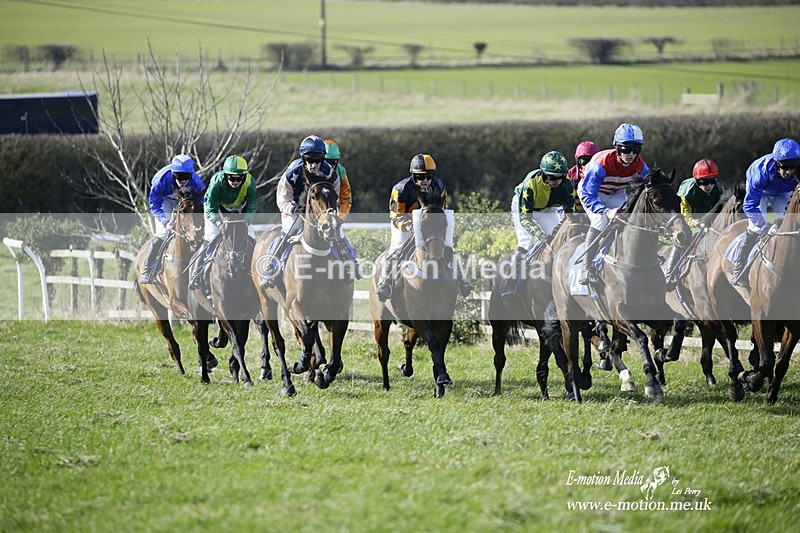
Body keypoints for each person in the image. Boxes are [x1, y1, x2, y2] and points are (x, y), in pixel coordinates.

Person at [259, 135, 356, 288]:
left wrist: (330, 213)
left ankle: (351, 263)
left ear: (323, 158)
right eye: (309, 160)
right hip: (295, 210)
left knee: (338, 233)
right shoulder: (293, 172)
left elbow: (334, 196)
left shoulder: (331, 173)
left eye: (317, 160)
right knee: (288, 231)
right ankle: (269, 266)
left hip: (320, 211)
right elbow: (282, 198)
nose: (313, 164)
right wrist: (292, 208)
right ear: (303, 158)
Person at [376, 153, 473, 302]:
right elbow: (396, 217)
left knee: (448, 248)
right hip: (405, 224)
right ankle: (385, 282)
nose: (425, 180)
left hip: (429, 225)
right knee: (396, 249)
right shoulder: (400, 190)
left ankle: (461, 280)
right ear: (414, 176)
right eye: (421, 177)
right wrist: (412, 228)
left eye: (429, 176)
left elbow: (440, 213)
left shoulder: (440, 187)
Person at [577, 123, 651, 285]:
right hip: (592, 193)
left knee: (629, 218)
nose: (631, 154)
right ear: (617, 147)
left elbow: (649, 185)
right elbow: (589, 196)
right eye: (626, 149)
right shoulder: (600, 164)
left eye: (635, 150)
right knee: (600, 220)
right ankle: (586, 268)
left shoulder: (640, 164)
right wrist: (605, 211)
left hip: (615, 193)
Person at [502, 151, 574, 301]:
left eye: (560, 176)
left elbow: (571, 214)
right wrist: (540, 235)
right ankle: (511, 283)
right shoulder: (530, 185)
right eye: (552, 177)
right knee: (526, 243)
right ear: (544, 174)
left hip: (547, 208)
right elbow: (525, 219)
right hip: (524, 208)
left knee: (563, 241)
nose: (557, 181)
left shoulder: (567, 184)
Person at [731, 137, 800, 287]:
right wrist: (763, 224)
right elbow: (749, 205)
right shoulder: (760, 172)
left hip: (782, 192)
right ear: (776, 163)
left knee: (790, 223)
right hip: (761, 192)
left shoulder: (794, 172)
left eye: (792, 166)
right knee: (756, 228)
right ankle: (739, 268)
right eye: (784, 166)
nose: (788, 171)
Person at [188, 155, 257, 291]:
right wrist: (219, 223)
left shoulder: (251, 183)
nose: (235, 182)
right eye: (231, 178)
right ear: (226, 176)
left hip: (238, 211)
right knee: (211, 239)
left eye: (239, 178)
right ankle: (196, 274)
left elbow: (252, 206)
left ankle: (256, 272)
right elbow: (210, 207)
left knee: (252, 239)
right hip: (217, 210)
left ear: (245, 176)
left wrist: (246, 221)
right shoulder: (217, 181)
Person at [139, 154, 205, 284]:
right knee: (163, 233)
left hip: (185, 202)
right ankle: (147, 270)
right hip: (164, 201)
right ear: (173, 174)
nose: (182, 180)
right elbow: (154, 205)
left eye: (186, 177)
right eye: (178, 177)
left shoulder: (197, 183)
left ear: (191, 175)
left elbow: (202, 203)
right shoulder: (161, 181)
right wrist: (165, 221)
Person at [677, 159, 725, 228]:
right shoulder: (687, 194)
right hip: (685, 220)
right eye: (705, 182)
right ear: (697, 181)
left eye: (713, 181)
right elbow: (686, 217)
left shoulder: (719, 189)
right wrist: (697, 223)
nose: (709, 185)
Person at [567, 141, 599, 214]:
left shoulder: (604, 174)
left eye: (591, 162)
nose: (587, 166)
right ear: (578, 161)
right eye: (584, 161)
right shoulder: (569, 177)